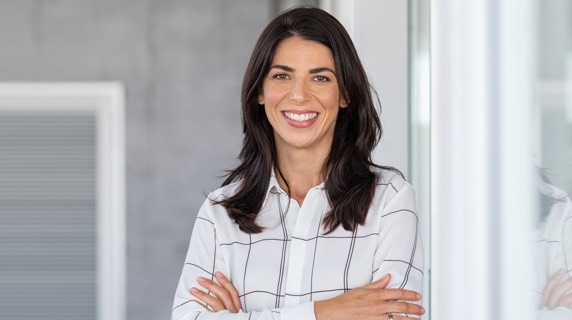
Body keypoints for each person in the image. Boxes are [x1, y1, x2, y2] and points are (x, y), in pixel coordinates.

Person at [172, 6, 424, 320]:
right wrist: (327, 313)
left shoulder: (390, 201)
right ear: (260, 92)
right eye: (282, 76)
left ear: (344, 94)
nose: (299, 95)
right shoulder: (219, 212)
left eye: (320, 78)